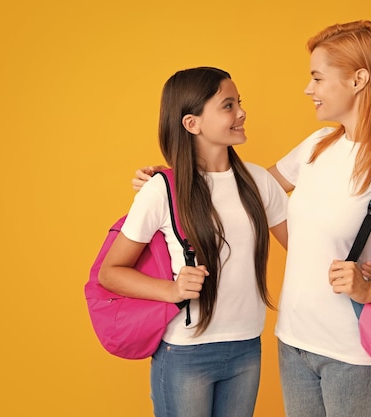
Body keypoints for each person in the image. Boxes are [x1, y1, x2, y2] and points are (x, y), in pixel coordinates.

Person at [134, 20, 371, 417]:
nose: (309, 89)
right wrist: (171, 176)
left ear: (359, 79)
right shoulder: (316, 147)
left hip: (352, 351)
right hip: (292, 343)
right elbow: (238, 190)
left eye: (318, 77)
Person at [99, 66, 289, 417]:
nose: (241, 112)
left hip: (247, 347)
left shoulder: (259, 183)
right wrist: (171, 290)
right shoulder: (161, 189)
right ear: (192, 123)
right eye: (228, 105)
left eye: (239, 103)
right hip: (186, 353)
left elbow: (305, 249)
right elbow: (110, 273)